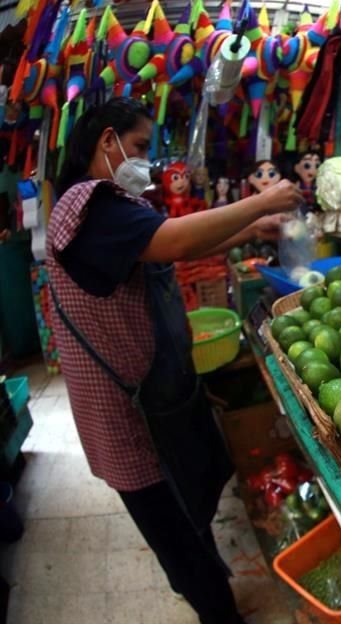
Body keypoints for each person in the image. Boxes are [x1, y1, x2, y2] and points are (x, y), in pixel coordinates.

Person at [47, 97, 302, 624]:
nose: (147, 159)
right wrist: (261, 202)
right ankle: (217, 612)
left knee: (189, 513)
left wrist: (249, 234)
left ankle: (209, 586)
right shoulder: (89, 206)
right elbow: (173, 238)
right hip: (128, 414)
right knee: (175, 535)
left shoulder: (115, 209)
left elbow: (173, 250)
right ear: (106, 141)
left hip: (156, 398)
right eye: (139, 146)